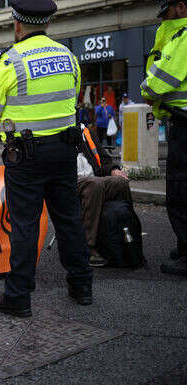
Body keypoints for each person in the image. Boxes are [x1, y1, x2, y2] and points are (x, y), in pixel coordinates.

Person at [0, 0, 92, 317]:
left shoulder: (10, 61)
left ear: (17, 24)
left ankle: (18, 296)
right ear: (47, 23)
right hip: (65, 151)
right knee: (68, 217)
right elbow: (74, 95)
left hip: (26, 156)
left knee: (25, 225)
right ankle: (82, 285)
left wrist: (1, 127)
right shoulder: (68, 57)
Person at [141, 0, 187, 276]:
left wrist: (147, 88)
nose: (162, 19)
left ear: (181, 7)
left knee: (181, 190)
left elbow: (158, 81)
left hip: (184, 125)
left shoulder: (183, 37)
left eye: (166, 11)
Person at [77, 126, 132, 267]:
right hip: (69, 182)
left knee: (120, 182)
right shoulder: (55, 132)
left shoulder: (84, 130)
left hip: (95, 179)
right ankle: (87, 248)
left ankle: (127, 235)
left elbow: (102, 157)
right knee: (95, 184)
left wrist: (114, 170)